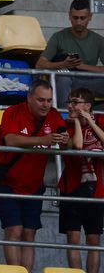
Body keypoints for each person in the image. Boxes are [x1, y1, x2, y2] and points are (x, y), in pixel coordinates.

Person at [0, 81, 69, 271]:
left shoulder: (54, 115)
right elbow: (11, 140)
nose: (46, 104)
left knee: (29, 233)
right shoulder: (13, 112)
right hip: (6, 181)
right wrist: (43, 140)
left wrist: (65, 140)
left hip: (34, 185)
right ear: (29, 98)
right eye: (41, 100)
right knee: (14, 230)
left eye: (49, 100)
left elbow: (65, 141)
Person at [60, 88, 104, 273]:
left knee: (93, 239)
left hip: (96, 189)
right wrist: (78, 121)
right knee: (73, 237)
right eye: (69, 102)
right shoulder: (65, 125)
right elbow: (77, 146)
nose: (70, 106)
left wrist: (91, 122)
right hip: (71, 186)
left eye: (75, 102)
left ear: (87, 105)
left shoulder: (101, 121)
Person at [37, 0, 104, 105]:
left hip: (90, 81)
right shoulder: (58, 37)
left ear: (90, 17)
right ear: (69, 16)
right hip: (68, 79)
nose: (78, 22)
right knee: (63, 77)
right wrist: (63, 64)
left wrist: (81, 66)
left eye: (82, 18)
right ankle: (63, 112)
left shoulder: (98, 40)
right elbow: (40, 64)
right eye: (75, 18)